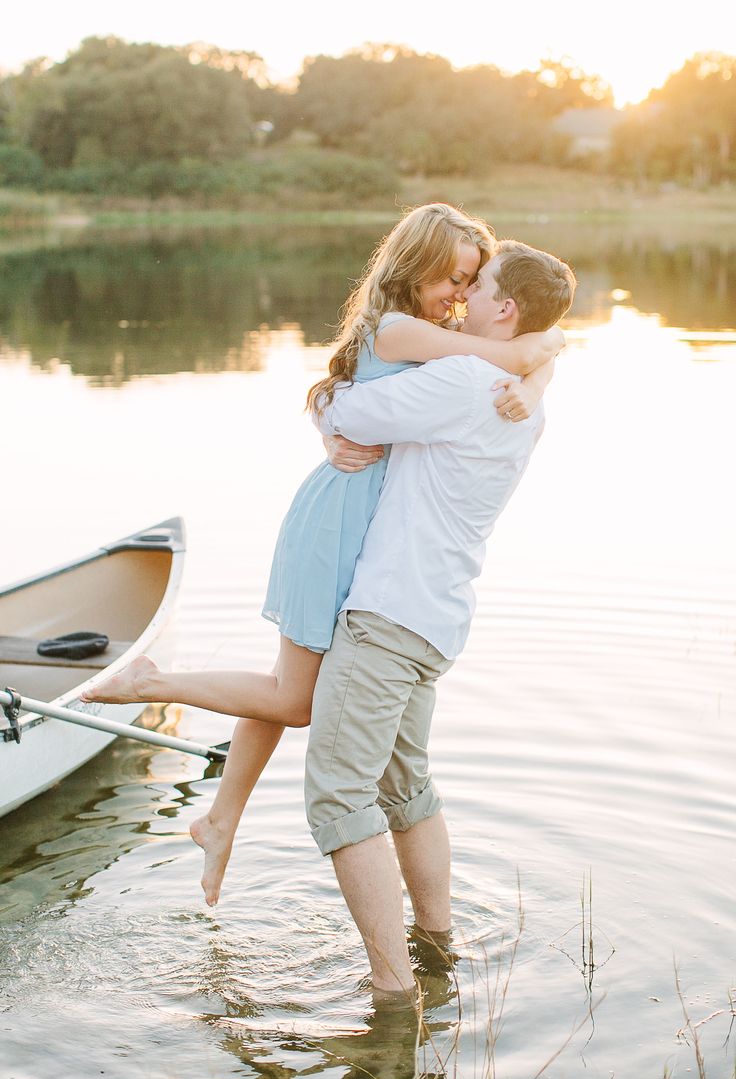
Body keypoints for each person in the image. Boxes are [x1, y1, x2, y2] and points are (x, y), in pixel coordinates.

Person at [81, 205, 563, 907]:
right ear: (416, 265)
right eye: (453, 278)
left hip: (365, 530)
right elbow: (510, 350)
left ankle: (221, 819)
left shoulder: (434, 335)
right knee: (294, 697)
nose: (460, 296)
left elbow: (531, 342)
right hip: (337, 522)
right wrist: (525, 367)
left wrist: (536, 373)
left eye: (470, 283)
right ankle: (156, 686)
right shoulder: (401, 329)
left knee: (287, 688)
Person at [304, 239, 576, 996]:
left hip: (389, 615)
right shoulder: (526, 401)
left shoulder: (463, 379)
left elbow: (351, 408)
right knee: (405, 787)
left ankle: (392, 991)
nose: (464, 297)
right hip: (438, 619)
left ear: (504, 308)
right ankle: (436, 947)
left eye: (478, 285)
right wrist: (541, 356)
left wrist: (326, 409)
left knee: (338, 793)